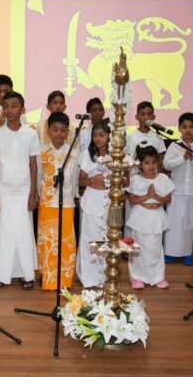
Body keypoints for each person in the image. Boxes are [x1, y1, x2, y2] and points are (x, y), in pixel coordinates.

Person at [0, 91, 39, 289]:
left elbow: (33, 165)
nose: (9, 110)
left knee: (24, 230)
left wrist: (33, 194)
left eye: (14, 106)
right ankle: (1, 273)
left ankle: (25, 273)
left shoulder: (31, 134)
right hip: (3, 189)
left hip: (24, 189)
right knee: (4, 231)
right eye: (6, 106)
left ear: (23, 109)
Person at [36, 112, 79, 291]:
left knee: (66, 242)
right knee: (48, 241)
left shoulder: (75, 154)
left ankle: (65, 279)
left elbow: (75, 180)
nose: (59, 134)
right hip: (47, 203)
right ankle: (48, 277)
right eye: (55, 130)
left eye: (63, 130)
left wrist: (71, 196)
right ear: (48, 130)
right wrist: (43, 196)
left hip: (67, 203)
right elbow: (39, 178)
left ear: (68, 132)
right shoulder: (42, 153)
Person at [163, 112, 193, 265]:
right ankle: (169, 252)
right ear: (179, 129)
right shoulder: (174, 146)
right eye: (184, 127)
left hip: (192, 190)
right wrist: (182, 157)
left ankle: (187, 253)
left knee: (189, 223)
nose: (188, 130)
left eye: (191, 127)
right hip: (176, 189)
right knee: (173, 222)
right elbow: (166, 165)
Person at [126, 143, 174, 289]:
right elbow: (133, 200)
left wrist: (156, 197)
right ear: (140, 164)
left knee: (155, 248)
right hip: (141, 216)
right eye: (147, 163)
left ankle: (157, 276)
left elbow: (168, 199)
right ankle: (136, 276)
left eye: (154, 162)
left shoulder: (163, 178)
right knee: (138, 248)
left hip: (156, 217)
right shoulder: (135, 179)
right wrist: (148, 195)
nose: (151, 166)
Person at [76, 121, 111, 288]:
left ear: (109, 136)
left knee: (105, 238)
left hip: (109, 203)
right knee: (90, 238)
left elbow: (126, 181)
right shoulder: (86, 155)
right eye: (95, 135)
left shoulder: (118, 155)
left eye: (102, 135)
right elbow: (81, 181)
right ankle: (88, 276)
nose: (98, 138)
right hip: (91, 201)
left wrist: (108, 181)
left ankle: (103, 274)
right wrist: (93, 180)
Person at [124, 101, 167, 238]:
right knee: (132, 213)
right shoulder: (131, 137)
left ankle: (149, 243)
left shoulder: (157, 137)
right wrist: (127, 182)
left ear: (153, 117)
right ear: (137, 117)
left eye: (149, 114)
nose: (146, 117)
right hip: (135, 180)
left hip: (152, 181)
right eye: (142, 114)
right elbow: (126, 161)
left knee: (150, 211)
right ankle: (129, 246)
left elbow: (160, 161)